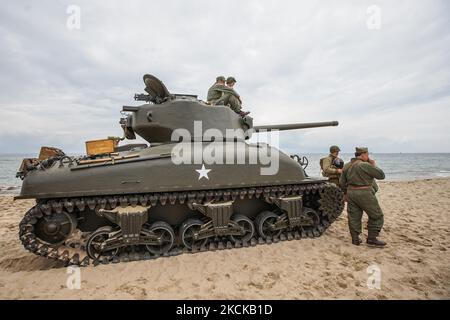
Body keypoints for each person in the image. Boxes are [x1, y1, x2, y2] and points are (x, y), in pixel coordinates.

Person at [339, 147, 387, 247]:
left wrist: (345, 194)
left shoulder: (347, 165)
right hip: (364, 192)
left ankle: (355, 239)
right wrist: (373, 164)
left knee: (354, 217)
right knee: (377, 216)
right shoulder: (365, 165)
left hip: (351, 193)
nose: (368, 156)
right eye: (367, 154)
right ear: (363, 155)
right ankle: (372, 239)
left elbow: (342, 182)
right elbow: (381, 175)